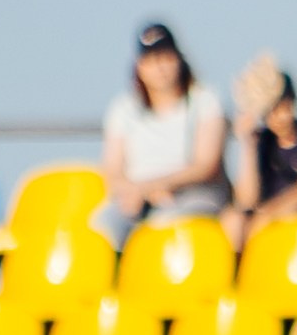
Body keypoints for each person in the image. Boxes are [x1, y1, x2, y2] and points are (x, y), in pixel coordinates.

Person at [93, 23, 228, 245]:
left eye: (166, 58)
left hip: (193, 195)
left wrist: (155, 187)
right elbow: (111, 170)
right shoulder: (123, 108)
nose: (160, 68)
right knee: (104, 225)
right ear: (139, 67)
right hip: (136, 199)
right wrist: (136, 192)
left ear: (179, 60)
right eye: (152, 60)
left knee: (165, 226)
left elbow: (206, 165)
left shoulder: (205, 100)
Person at [225, 66, 297, 243]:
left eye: (284, 107)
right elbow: (246, 200)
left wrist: (270, 213)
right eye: (271, 111)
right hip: (262, 220)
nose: (280, 117)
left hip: (293, 215)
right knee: (232, 219)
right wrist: (248, 145)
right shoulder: (262, 141)